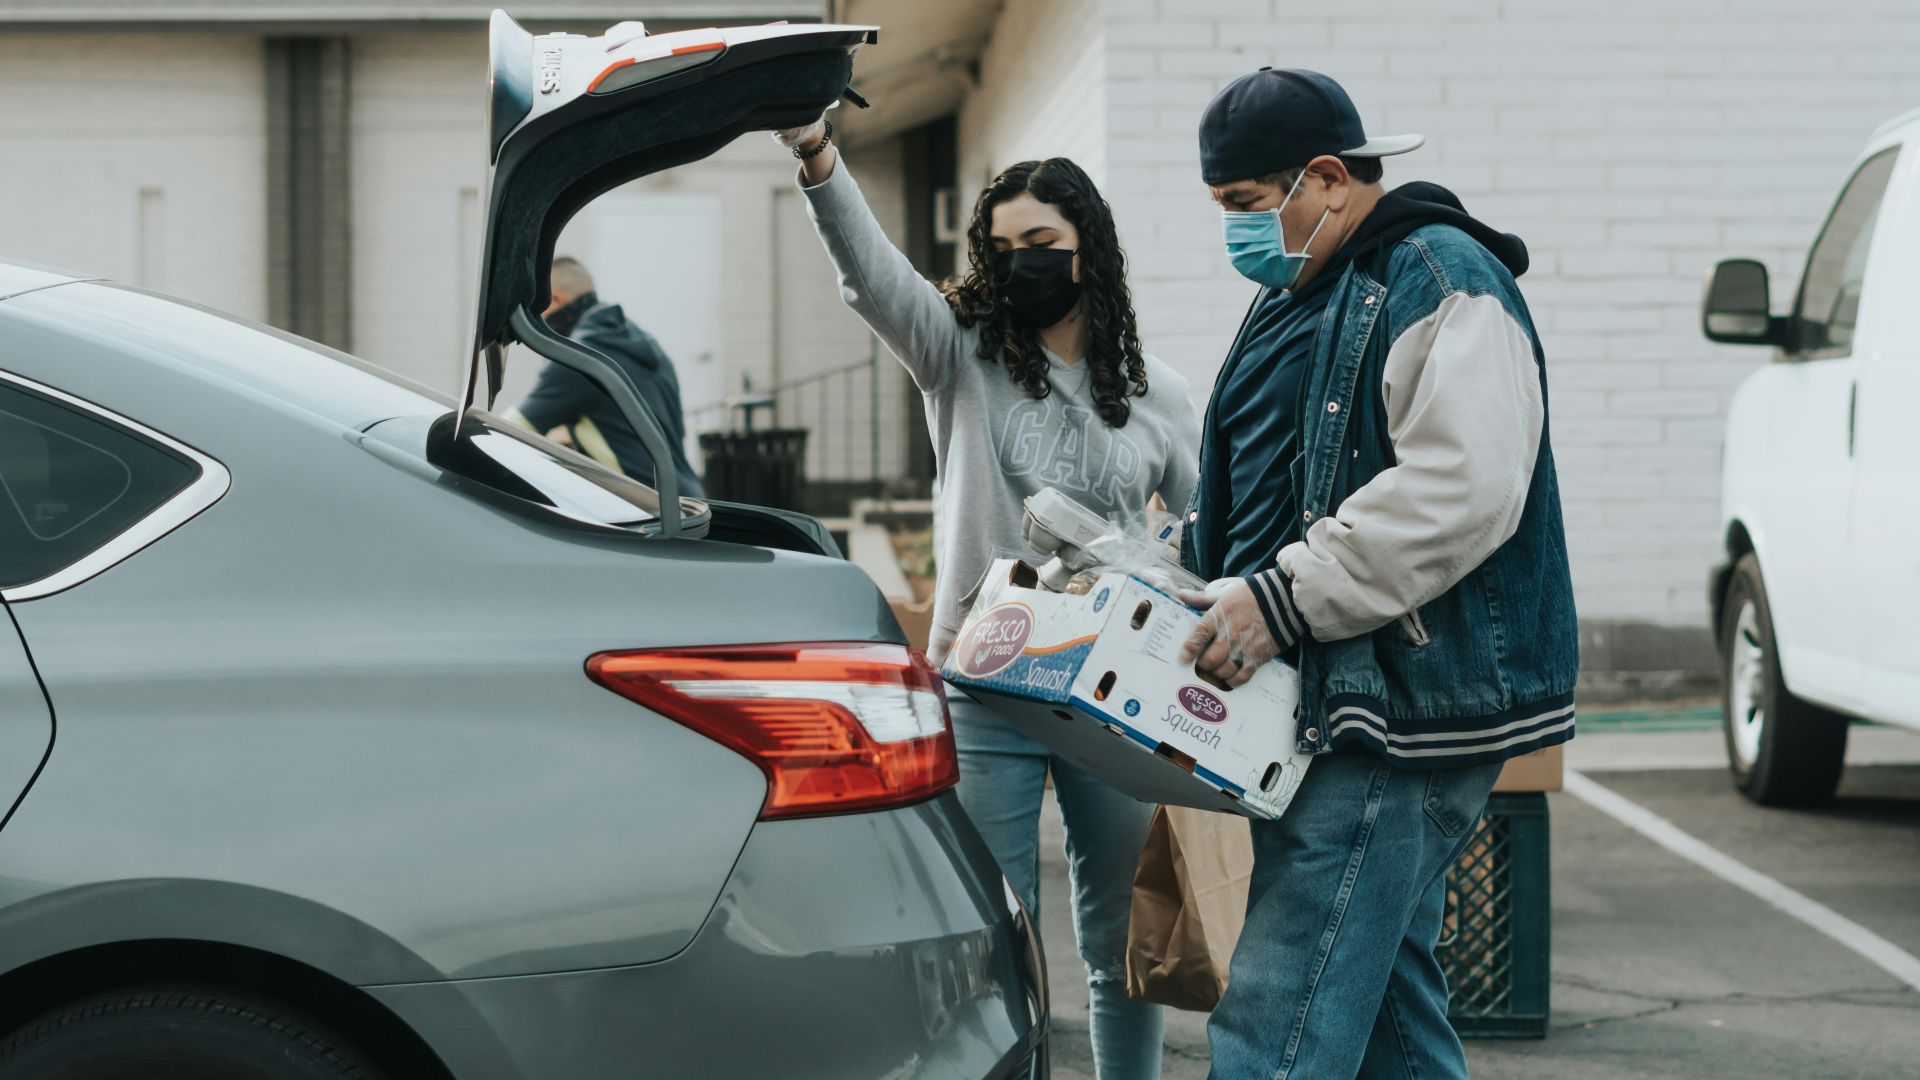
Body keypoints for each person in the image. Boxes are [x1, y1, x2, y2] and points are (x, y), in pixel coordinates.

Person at [773, 115, 1200, 1080]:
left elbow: (1206, 524)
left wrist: (1171, 569)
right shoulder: (958, 351)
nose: (1022, 264)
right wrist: (817, 156)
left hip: (1112, 692)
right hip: (986, 676)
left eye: (1041, 242)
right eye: (1002, 249)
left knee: (1120, 940)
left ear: (1090, 247)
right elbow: (871, 277)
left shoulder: (1158, 393)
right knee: (992, 936)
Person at [1174, 69, 1578, 1079]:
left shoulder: (1440, 277)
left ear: (1325, 178)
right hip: (1337, 698)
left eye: (1244, 205)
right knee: (1390, 1015)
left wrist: (1279, 600)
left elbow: (1464, 486)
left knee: (1275, 1026)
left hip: (1394, 710)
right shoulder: (1304, 287)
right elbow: (1274, 471)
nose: (1235, 232)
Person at [505, 256, 703, 498]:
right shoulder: (644, 344)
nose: (538, 320)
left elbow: (507, 433)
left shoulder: (578, 359)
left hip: (647, 510)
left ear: (556, 299)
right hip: (688, 500)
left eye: (538, 310)